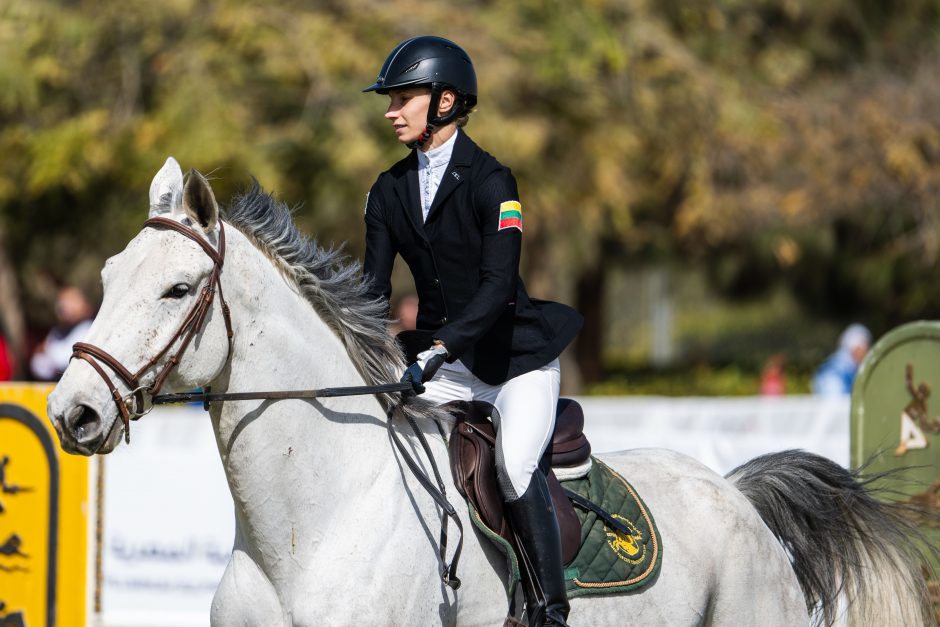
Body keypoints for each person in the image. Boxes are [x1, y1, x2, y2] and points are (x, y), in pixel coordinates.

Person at [362, 36, 582, 626]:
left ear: (445, 101)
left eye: (403, 98)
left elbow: (495, 289)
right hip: (443, 367)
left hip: (515, 364)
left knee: (512, 466)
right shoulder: (386, 191)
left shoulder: (494, 182)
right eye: (391, 100)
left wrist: (439, 348)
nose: (390, 110)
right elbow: (372, 295)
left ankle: (548, 609)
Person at [30, 285, 94, 381]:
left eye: (71, 301)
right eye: (62, 302)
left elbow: (65, 360)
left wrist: (47, 351)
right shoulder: (56, 332)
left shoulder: (89, 328)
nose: (64, 306)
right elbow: (38, 366)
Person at [811, 323, 871, 396]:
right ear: (854, 347)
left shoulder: (850, 368)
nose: (866, 352)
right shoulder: (834, 370)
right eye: (864, 348)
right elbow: (835, 401)